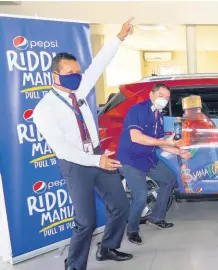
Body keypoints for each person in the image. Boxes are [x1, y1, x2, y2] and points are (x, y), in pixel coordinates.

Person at [33, 18, 135, 270]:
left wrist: (119, 38)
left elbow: (98, 65)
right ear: (55, 75)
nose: (75, 76)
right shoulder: (44, 109)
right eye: (69, 73)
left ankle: (108, 248)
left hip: (98, 156)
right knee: (85, 221)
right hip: (75, 164)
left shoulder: (78, 93)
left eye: (76, 72)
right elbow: (63, 149)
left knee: (121, 206)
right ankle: (75, 265)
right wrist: (95, 160)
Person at [116, 84, 192, 245]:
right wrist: (163, 142)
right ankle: (132, 230)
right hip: (131, 159)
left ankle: (157, 217)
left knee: (169, 180)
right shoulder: (137, 110)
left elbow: (161, 144)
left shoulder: (160, 116)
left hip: (148, 157)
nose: (163, 100)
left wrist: (179, 152)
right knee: (140, 196)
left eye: (166, 98)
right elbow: (136, 137)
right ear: (151, 94)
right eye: (160, 95)